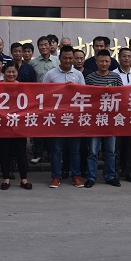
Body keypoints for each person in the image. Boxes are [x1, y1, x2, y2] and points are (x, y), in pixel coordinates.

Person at [42, 45, 86, 188]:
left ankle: (76, 176)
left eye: (70, 58)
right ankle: (56, 176)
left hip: (74, 118)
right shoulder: (50, 74)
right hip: (57, 118)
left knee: (75, 150)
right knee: (56, 149)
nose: (67, 61)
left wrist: (75, 88)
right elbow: (43, 94)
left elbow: (84, 95)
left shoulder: (78, 75)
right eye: (65, 58)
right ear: (59, 58)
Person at [84, 50, 124, 188]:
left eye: (107, 61)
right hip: (95, 119)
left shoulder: (116, 77)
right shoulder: (90, 78)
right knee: (93, 151)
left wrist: (112, 92)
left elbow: (122, 96)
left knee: (110, 151)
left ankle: (110, 176)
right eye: (101, 61)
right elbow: (86, 98)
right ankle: (91, 177)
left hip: (111, 120)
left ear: (110, 62)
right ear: (96, 62)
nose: (104, 64)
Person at [0, 61, 32, 190]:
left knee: (21, 152)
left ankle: (24, 179)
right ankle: (6, 179)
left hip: (19, 124)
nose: (11, 74)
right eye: (8, 72)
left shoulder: (23, 87)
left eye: (14, 72)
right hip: (3, 124)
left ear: (18, 72)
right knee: (4, 152)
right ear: (3, 72)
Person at [29, 36, 59, 164]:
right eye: (41, 45)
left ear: (50, 45)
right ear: (38, 47)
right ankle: (38, 153)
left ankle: (52, 153)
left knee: (52, 126)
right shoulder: (33, 63)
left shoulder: (57, 61)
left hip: (54, 99)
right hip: (38, 100)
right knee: (38, 127)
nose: (44, 47)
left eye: (46, 44)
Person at [113, 47, 131, 183]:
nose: (127, 58)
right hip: (116, 115)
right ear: (119, 58)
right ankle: (115, 172)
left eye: (129, 56)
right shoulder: (113, 74)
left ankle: (130, 172)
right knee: (116, 146)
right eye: (124, 56)